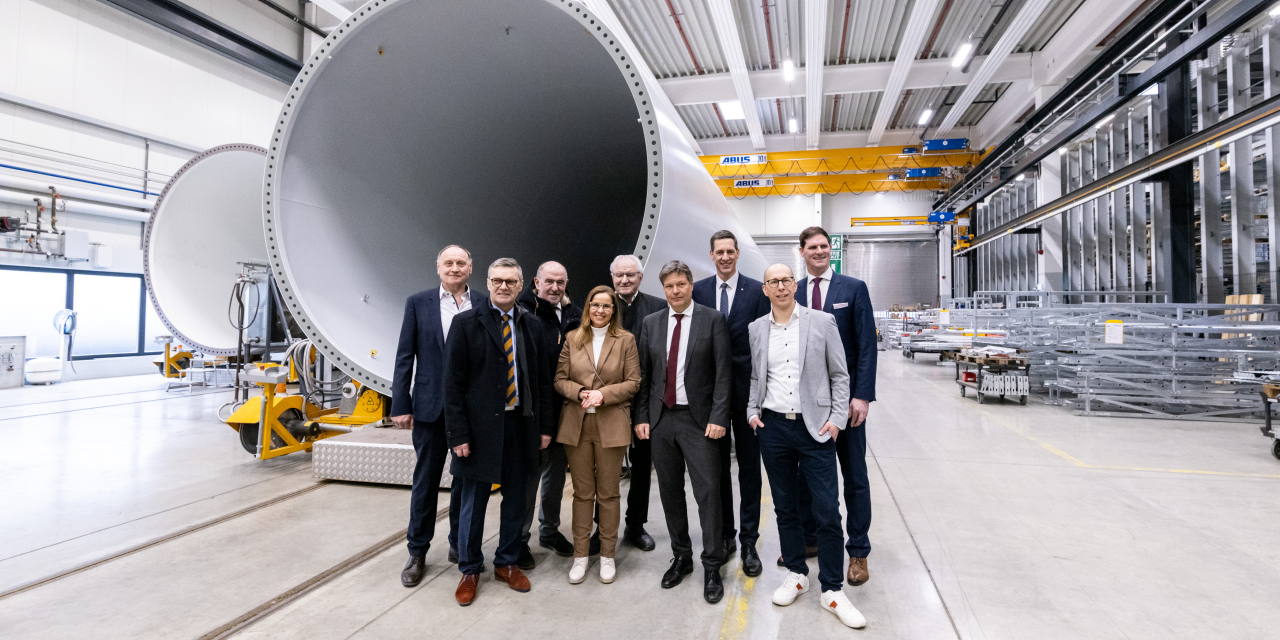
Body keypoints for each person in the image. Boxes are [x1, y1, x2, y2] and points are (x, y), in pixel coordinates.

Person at [746, 263, 865, 628]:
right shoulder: (756, 329)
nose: (781, 287)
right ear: (765, 290)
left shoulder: (821, 321)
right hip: (774, 428)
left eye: (786, 280)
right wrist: (752, 411)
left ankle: (832, 589)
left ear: (793, 286)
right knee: (785, 507)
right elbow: (756, 374)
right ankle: (797, 573)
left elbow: (840, 374)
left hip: (815, 430)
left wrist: (836, 420)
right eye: (773, 282)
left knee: (827, 511)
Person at [445, 258, 554, 606]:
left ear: (522, 285)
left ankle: (506, 562)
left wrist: (544, 428)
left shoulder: (532, 325)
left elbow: (542, 383)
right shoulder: (465, 324)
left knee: (517, 500)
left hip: (521, 426)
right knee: (472, 503)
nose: (504, 286)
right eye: (497, 280)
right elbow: (453, 386)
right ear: (488, 283)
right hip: (478, 431)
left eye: (510, 281)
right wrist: (458, 435)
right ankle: (470, 569)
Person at [634, 260, 731, 604]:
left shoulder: (712, 319)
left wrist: (719, 417)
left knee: (708, 494)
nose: (675, 291)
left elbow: (723, 373)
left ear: (691, 285)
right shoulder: (651, 322)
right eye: (669, 286)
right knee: (670, 492)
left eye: (681, 284)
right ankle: (682, 557)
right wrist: (642, 417)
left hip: (699, 420)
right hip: (662, 420)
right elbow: (645, 375)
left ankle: (712, 564)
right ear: (664, 289)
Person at [392, 245, 488, 588]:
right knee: (426, 482)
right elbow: (405, 355)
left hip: (471, 411)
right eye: (449, 262)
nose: (455, 267)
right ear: (438, 268)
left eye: (461, 262)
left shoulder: (482, 302)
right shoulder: (418, 303)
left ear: (470, 267)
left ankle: (458, 545)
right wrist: (400, 404)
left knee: (466, 481)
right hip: (431, 408)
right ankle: (417, 551)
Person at [794, 227, 878, 587]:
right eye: (812, 247)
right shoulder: (792, 292)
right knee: (806, 478)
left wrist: (861, 396)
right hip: (806, 406)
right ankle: (811, 538)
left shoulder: (853, 289)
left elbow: (866, 347)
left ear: (831, 250)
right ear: (801, 252)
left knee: (854, 478)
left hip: (846, 406)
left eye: (824, 246)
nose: (819, 252)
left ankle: (857, 550)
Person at [691, 230, 770, 577]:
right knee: (716, 469)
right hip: (711, 397)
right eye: (718, 252)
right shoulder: (699, 291)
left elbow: (765, 341)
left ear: (738, 254)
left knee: (750, 470)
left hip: (748, 393)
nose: (724, 257)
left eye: (729, 251)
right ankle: (725, 537)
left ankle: (749, 541)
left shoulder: (756, 291)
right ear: (711, 255)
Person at [553, 285, 640, 584]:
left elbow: (633, 382)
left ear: (614, 310)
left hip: (611, 424)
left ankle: (606, 556)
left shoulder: (625, 340)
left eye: (607, 305)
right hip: (576, 425)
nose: (600, 310)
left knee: (608, 494)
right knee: (582, 494)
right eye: (595, 304)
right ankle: (580, 556)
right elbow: (559, 379)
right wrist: (579, 392)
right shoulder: (573, 339)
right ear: (587, 307)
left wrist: (603, 395)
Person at [517, 261, 583, 565]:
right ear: (536, 282)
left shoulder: (573, 315)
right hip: (534, 411)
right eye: (549, 282)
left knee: (555, 477)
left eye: (560, 282)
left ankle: (549, 530)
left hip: (564, 410)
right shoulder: (524, 314)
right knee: (530, 477)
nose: (555, 288)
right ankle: (519, 539)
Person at [607, 254, 666, 552]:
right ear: (613, 278)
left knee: (642, 466)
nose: (625, 280)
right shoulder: (602, 306)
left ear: (641, 278)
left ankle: (635, 525)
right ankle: (602, 529)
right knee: (604, 469)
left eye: (631, 275)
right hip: (608, 401)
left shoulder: (658, 307)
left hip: (646, 401)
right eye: (619, 275)